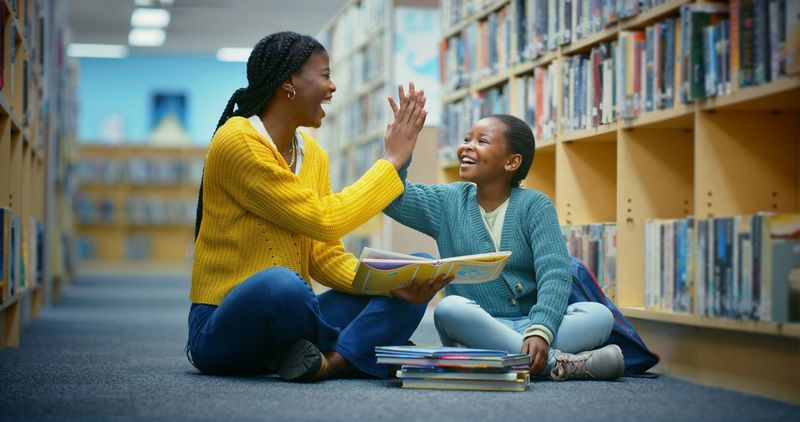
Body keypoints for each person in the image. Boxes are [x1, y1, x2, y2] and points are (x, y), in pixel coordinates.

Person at [187, 31, 451, 383]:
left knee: (414, 269)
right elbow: (323, 220)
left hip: (292, 324)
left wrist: (391, 284)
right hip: (222, 327)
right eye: (325, 75)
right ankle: (360, 349)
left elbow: (325, 257)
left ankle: (329, 361)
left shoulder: (313, 155)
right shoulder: (238, 142)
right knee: (283, 285)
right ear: (290, 82)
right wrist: (390, 161)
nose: (333, 87)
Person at [383, 113, 625, 381]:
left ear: (512, 162)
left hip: (532, 323)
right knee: (449, 308)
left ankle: (504, 357)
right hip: (477, 325)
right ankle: (558, 364)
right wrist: (398, 154)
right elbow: (393, 199)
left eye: (481, 141)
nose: (466, 146)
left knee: (600, 315)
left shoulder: (536, 205)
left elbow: (554, 273)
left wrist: (540, 329)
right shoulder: (448, 202)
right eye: (466, 139)